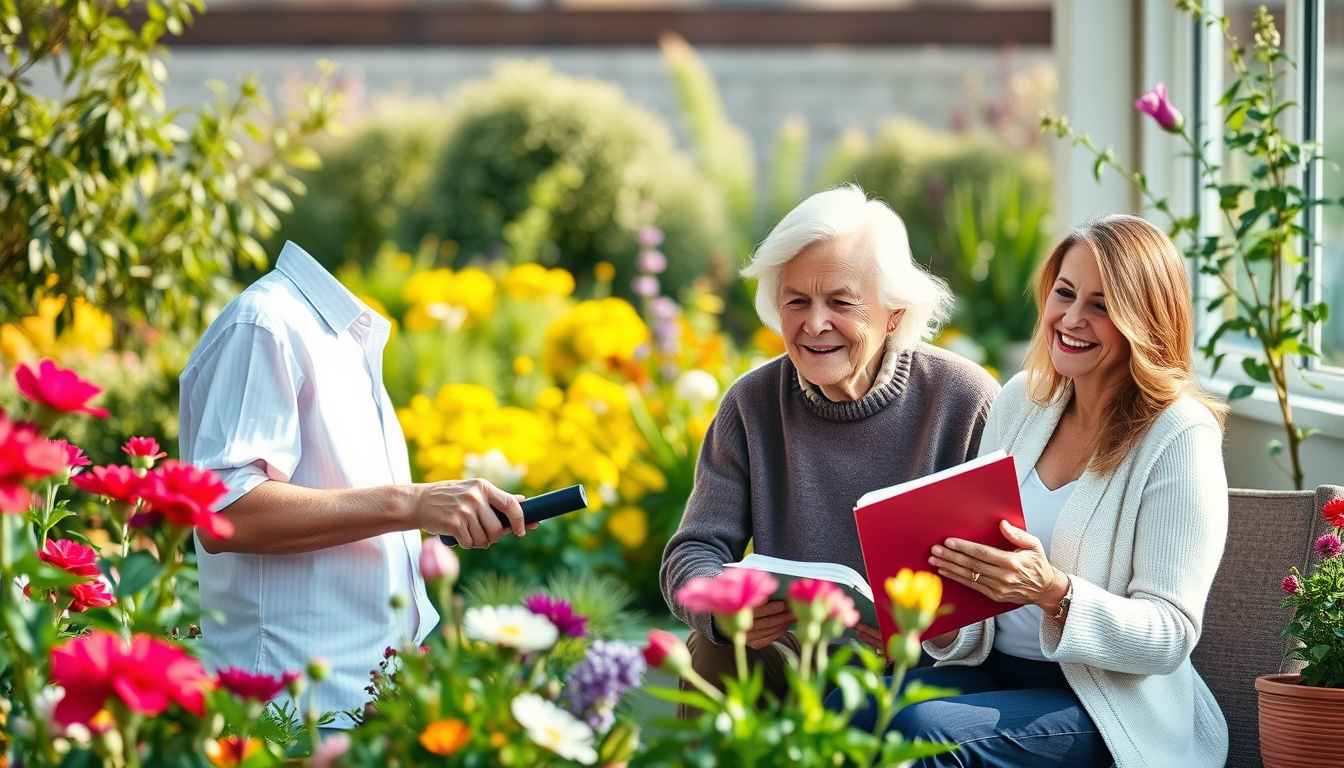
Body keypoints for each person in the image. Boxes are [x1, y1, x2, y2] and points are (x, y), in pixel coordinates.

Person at [832, 213, 1230, 767]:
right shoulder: (1022, 401)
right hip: (995, 671)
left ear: (1144, 320)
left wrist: (1053, 592)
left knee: (924, 733)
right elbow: (980, 578)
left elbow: (1170, 635)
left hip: (1106, 703)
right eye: (1064, 293)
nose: (1072, 318)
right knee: (846, 706)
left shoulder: (1179, 436)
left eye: (1101, 305)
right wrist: (920, 621)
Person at [660, 184, 1001, 705]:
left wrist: (925, 632)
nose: (814, 324)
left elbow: (1002, 570)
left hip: (925, 668)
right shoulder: (751, 404)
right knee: (714, 650)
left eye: (840, 302)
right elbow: (693, 550)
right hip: (794, 655)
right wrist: (721, 610)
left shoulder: (963, 399)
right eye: (796, 301)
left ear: (893, 313)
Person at [179, 241, 528, 728]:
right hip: (290, 720)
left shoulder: (343, 339)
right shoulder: (265, 323)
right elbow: (225, 514)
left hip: (365, 711)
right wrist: (415, 503)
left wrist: (437, 510)